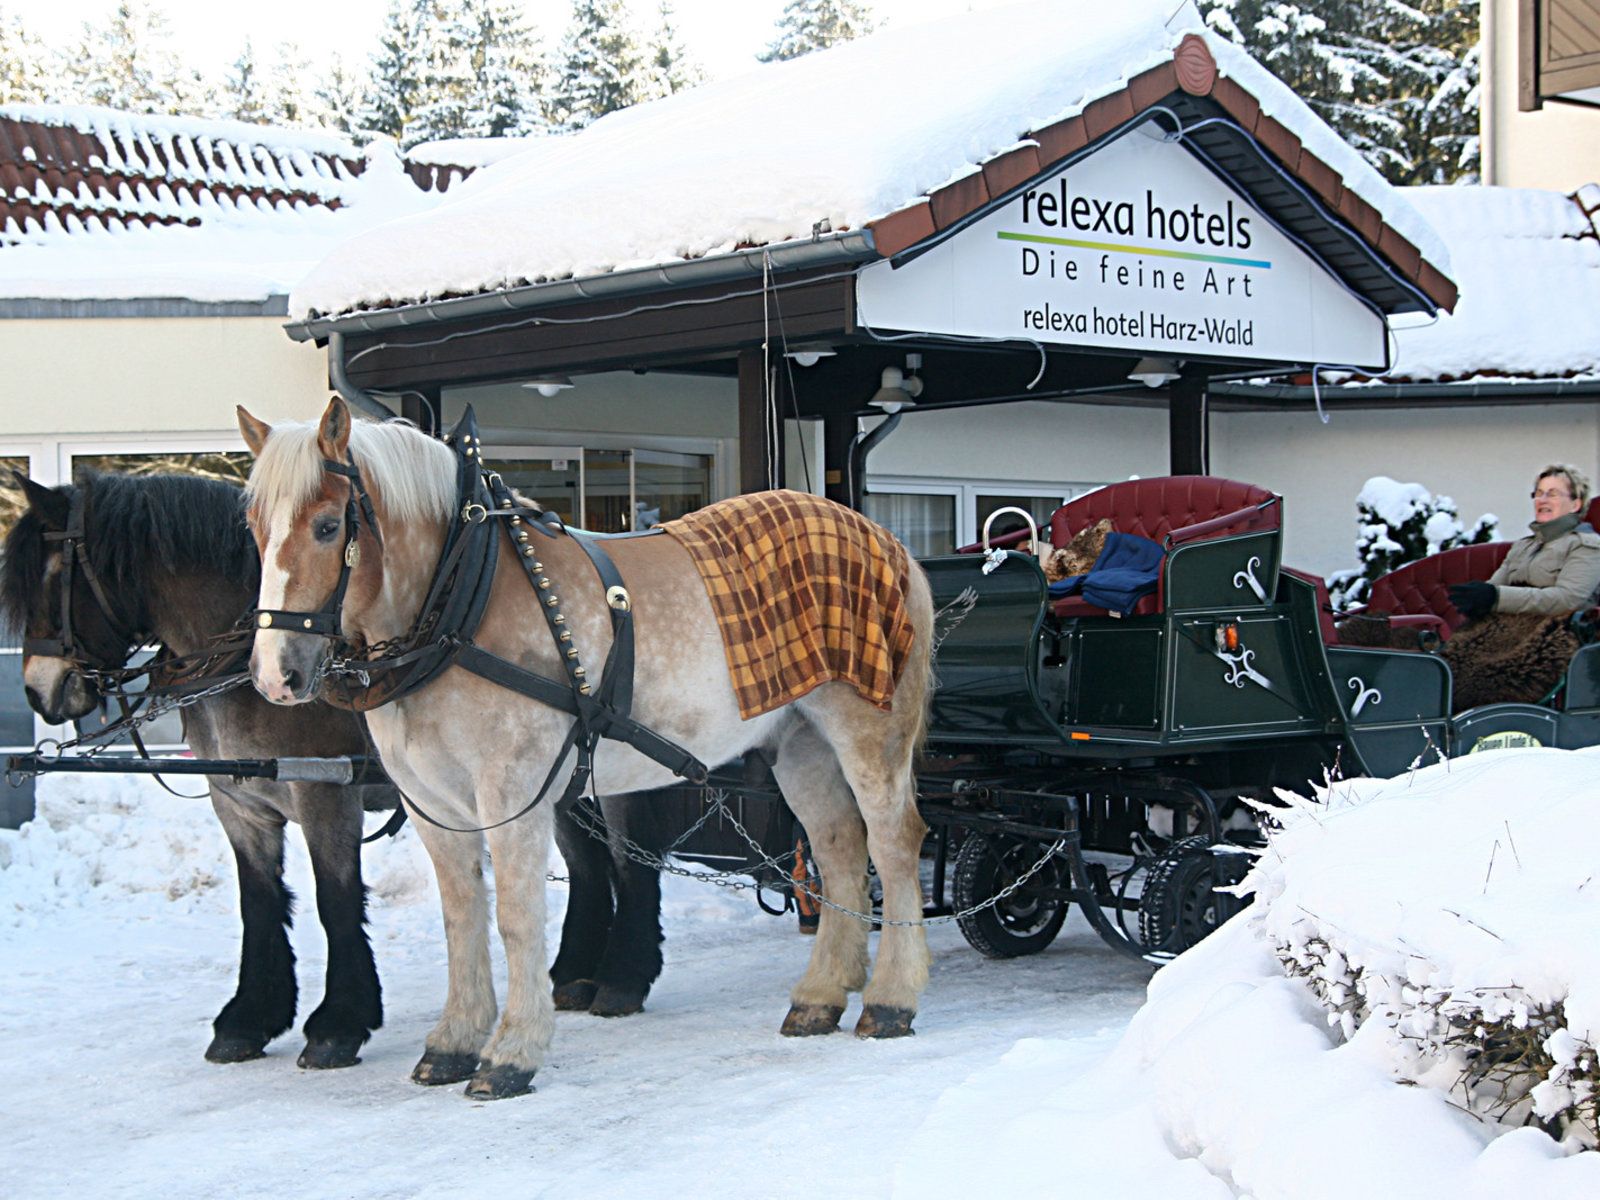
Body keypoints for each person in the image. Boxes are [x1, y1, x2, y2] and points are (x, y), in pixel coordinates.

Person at [1448, 464, 1600, 620]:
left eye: (1552, 494)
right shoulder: (1522, 547)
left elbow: (1567, 599)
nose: (1542, 500)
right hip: (1507, 629)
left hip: (1561, 634)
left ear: (1575, 504)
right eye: (1538, 494)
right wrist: (1476, 598)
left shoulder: (1587, 545)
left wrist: (1496, 597)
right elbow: (1493, 587)